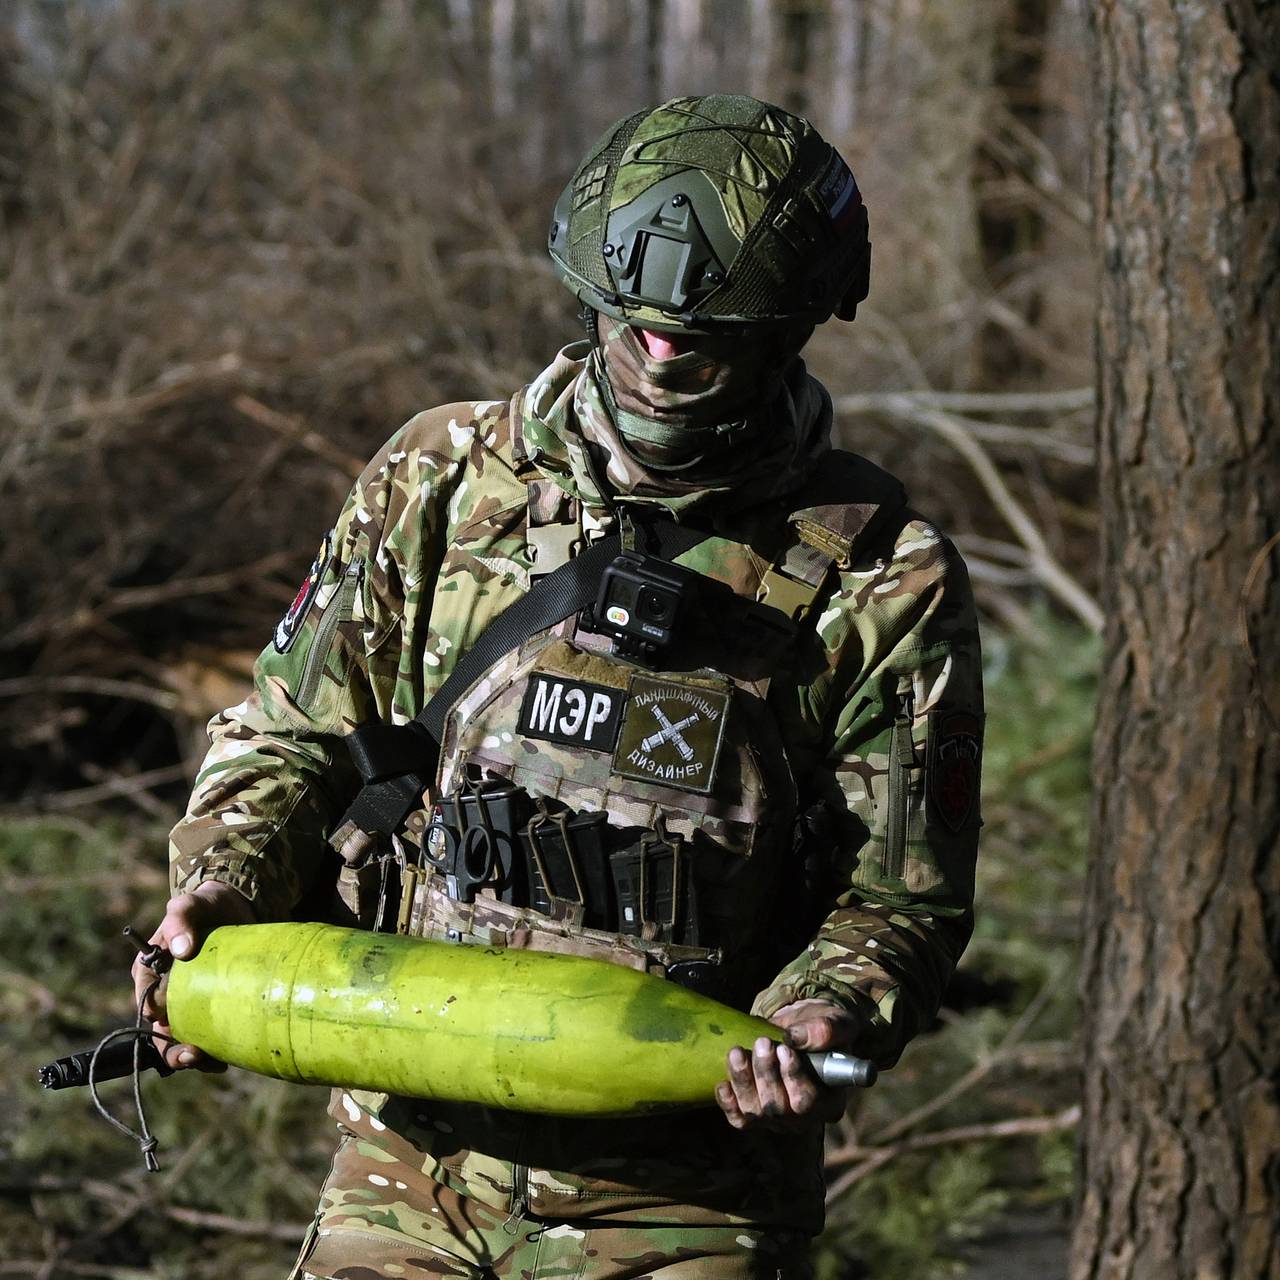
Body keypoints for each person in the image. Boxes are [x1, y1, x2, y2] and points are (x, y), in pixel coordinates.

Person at [135, 94, 983, 1279]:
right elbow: (289, 734)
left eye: (706, 326)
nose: (662, 347)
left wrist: (821, 1010)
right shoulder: (439, 481)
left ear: (795, 319)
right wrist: (220, 885)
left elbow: (901, 894)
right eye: (631, 318)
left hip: (690, 1194)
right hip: (408, 1158)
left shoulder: (878, 578)